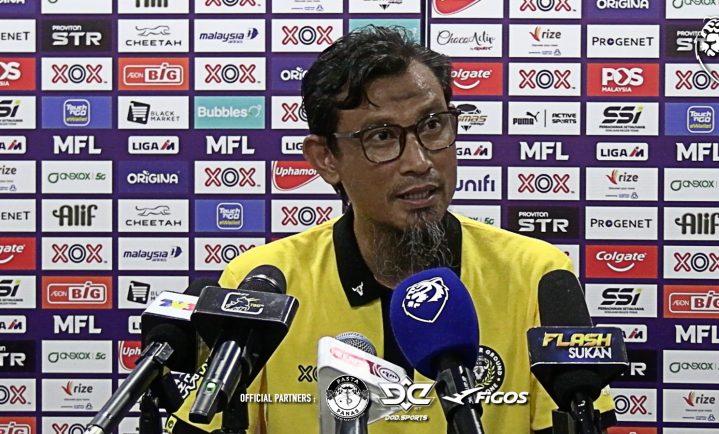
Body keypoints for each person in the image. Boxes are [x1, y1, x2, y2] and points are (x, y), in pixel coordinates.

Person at [166, 26, 615, 434]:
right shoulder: (264, 283)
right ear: (325, 159)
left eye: (433, 125)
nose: (419, 161)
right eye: (381, 136)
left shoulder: (534, 274)